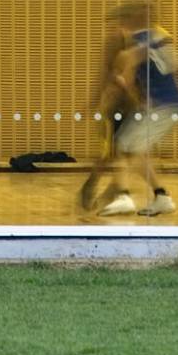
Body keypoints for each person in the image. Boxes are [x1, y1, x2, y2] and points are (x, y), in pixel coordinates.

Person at [97, 0, 178, 217]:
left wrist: (118, 82)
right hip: (164, 104)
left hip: (162, 105)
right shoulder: (159, 37)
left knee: (126, 145)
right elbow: (175, 68)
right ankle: (161, 196)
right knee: (131, 148)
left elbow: (129, 75)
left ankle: (124, 197)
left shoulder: (141, 42)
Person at [76, 15, 137, 214]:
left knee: (124, 155)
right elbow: (109, 83)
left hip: (127, 110)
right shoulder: (120, 62)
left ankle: (110, 192)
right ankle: (94, 187)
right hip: (116, 110)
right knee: (111, 154)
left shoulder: (131, 57)